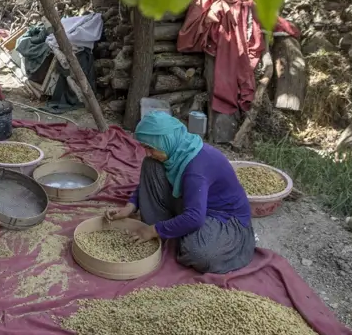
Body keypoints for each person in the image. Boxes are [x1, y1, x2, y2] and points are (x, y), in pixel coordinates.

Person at [107, 111, 256, 274]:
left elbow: (195, 218)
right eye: (145, 147)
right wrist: (130, 207)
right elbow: (147, 182)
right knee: (151, 165)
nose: (147, 152)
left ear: (166, 141)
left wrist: (152, 231)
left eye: (150, 147)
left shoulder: (196, 169)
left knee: (199, 253)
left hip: (223, 219)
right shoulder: (177, 150)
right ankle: (171, 227)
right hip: (193, 203)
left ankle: (172, 230)